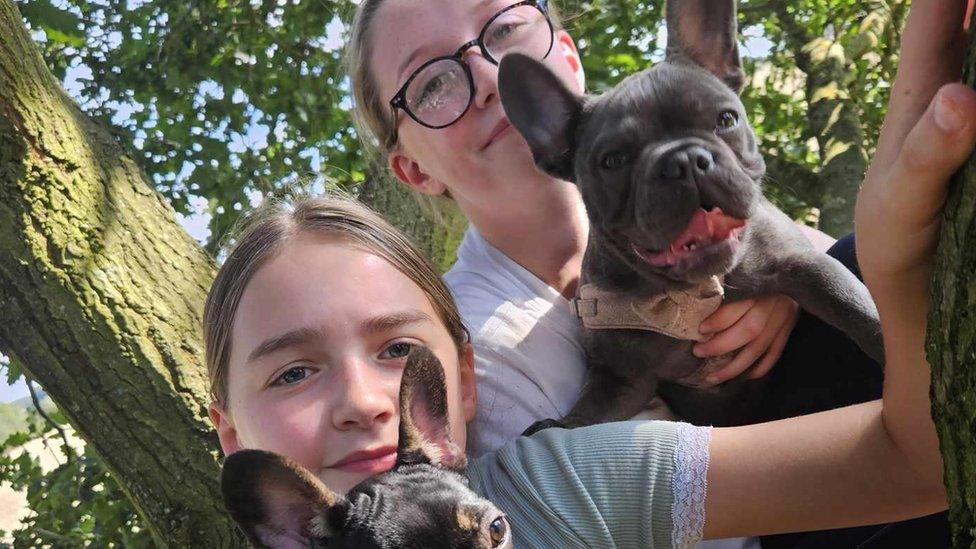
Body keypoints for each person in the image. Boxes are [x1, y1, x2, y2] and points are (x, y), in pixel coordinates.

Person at [205, 59, 976, 540]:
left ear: (458, 387)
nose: (363, 402)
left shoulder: (554, 482)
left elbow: (918, 454)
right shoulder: (512, 354)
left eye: (399, 352)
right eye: (292, 372)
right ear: (228, 429)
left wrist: (837, 261)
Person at [347, 0, 813, 456]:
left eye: (504, 29)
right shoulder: (475, 356)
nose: (490, 78)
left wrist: (797, 287)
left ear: (568, 59)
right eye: (432, 84)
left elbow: (845, 270)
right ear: (415, 171)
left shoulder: (703, 189)